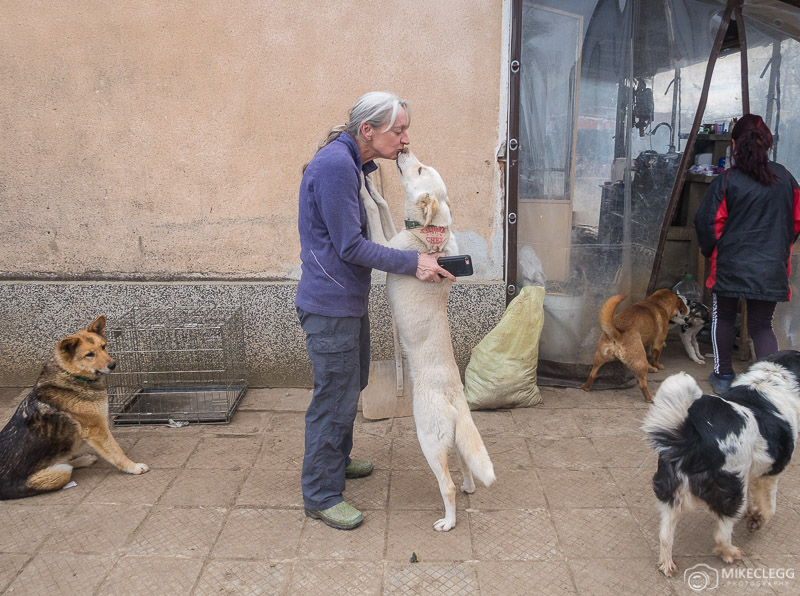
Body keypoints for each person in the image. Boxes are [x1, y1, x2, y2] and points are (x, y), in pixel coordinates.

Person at [295, 91, 455, 530]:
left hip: (346, 299)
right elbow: (349, 246)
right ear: (368, 130)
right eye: (398, 131)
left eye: (405, 130)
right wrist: (413, 262)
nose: (405, 140)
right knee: (334, 396)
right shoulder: (335, 167)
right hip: (330, 306)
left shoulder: (353, 163)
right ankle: (322, 493)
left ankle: (337, 460)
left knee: (354, 381)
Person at [695, 113, 800, 393]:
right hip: (771, 266)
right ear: (767, 143)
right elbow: (797, 220)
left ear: (733, 144)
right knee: (761, 325)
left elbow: (708, 223)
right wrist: (778, 247)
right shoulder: (787, 178)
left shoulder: (727, 180)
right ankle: (769, 386)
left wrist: (710, 251)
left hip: (730, 264)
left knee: (724, 318)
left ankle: (723, 376)